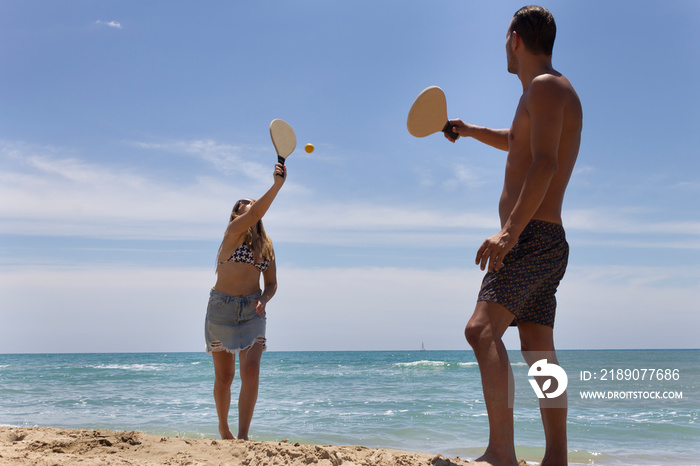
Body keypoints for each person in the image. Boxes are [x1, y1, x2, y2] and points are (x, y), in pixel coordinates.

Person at [446, 6, 582, 466]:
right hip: (549, 239)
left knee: (480, 330)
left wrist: (509, 232)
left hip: (529, 238)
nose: (503, 47)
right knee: (538, 350)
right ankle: (556, 458)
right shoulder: (546, 90)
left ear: (515, 39)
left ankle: (501, 452)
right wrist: (468, 131)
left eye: (505, 39)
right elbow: (517, 141)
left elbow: (545, 163)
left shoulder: (544, 88)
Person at [205, 163, 287, 440]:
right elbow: (256, 212)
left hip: (252, 310)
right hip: (221, 309)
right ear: (235, 214)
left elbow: (272, 283)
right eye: (242, 204)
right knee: (225, 377)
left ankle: (243, 435)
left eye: (249, 203)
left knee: (250, 371)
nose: (247, 205)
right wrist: (276, 185)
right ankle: (223, 427)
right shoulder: (232, 233)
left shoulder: (266, 245)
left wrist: (264, 299)